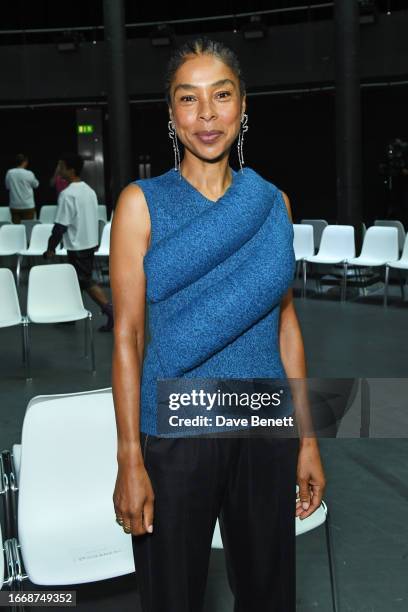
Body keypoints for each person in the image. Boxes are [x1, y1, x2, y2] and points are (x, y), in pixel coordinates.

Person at [110, 37, 326, 612]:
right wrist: (129, 456)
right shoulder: (141, 203)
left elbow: (286, 326)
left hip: (262, 423)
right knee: (171, 596)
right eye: (189, 98)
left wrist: (306, 441)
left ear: (243, 105)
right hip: (177, 430)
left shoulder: (271, 202)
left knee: (269, 595)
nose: (207, 115)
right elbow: (128, 337)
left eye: (221, 95)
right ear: (172, 114)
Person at [43, 153, 113, 332]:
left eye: (62, 167)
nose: (60, 170)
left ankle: (110, 310)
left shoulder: (67, 194)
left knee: (84, 281)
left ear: (71, 170)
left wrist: (50, 248)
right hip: (88, 242)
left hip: (77, 245)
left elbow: (60, 225)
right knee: (76, 280)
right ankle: (71, 313)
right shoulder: (88, 191)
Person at [5, 153, 39, 223]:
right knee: (28, 228)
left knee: (16, 229)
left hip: (14, 205)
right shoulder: (29, 173)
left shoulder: (10, 173)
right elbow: (36, 185)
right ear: (25, 162)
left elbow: (7, 187)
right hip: (28, 206)